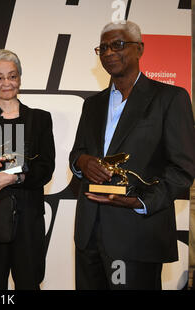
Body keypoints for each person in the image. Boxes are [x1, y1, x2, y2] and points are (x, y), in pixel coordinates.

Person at [69, 21, 195, 289]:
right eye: (102, 48)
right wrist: (83, 162)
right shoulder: (92, 105)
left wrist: (139, 201)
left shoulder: (170, 98)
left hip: (136, 233)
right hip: (88, 233)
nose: (109, 53)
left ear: (140, 49)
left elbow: (182, 169)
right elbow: (77, 153)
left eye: (118, 45)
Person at [0, 49, 55, 289]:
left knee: (29, 284)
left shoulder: (40, 119)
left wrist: (12, 178)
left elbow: (45, 169)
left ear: (19, 79)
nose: (6, 83)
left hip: (28, 218)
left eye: (12, 76)